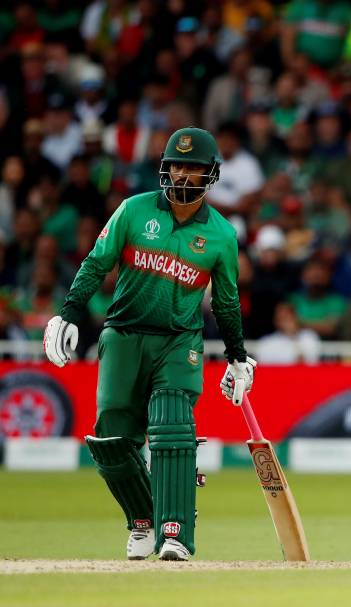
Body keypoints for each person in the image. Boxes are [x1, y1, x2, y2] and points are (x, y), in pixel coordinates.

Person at [42, 127, 255, 562]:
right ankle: (143, 521)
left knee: (172, 425)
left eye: (192, 168)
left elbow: (227, 303)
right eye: (176, 165)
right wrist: (68, 312)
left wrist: (236, 357)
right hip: (123, 334)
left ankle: (176, 532)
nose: (181, 174)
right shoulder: (133, 211)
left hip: (179, 341)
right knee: (111, 439)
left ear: (210, 175)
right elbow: (95, 263)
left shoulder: (220, 235)